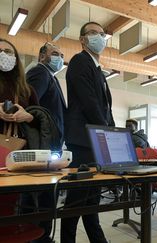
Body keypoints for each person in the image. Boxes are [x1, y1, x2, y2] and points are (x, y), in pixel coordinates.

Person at [61, 22, 114, 243]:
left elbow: (105, 108)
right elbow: (89, 102)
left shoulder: (98, 69)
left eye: (102, 34)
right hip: (84, 140)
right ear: (83, 39)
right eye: (93, 33)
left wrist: (115, 133)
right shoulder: (79, 61)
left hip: (94, 138)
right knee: (76, 201)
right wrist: (107, 134)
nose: (99, 37)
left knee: (91, 200)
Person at [24, 42, 66, 243]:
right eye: (55, 54)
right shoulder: (39, 73)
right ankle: (39, 238)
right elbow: (30, 107)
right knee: (42, 198)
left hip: (49, 146)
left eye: (61, 55)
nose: (60, 58)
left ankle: (42, 237)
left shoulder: (51, 77)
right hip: (42, 146)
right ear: (42, 57)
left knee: (48, 196)